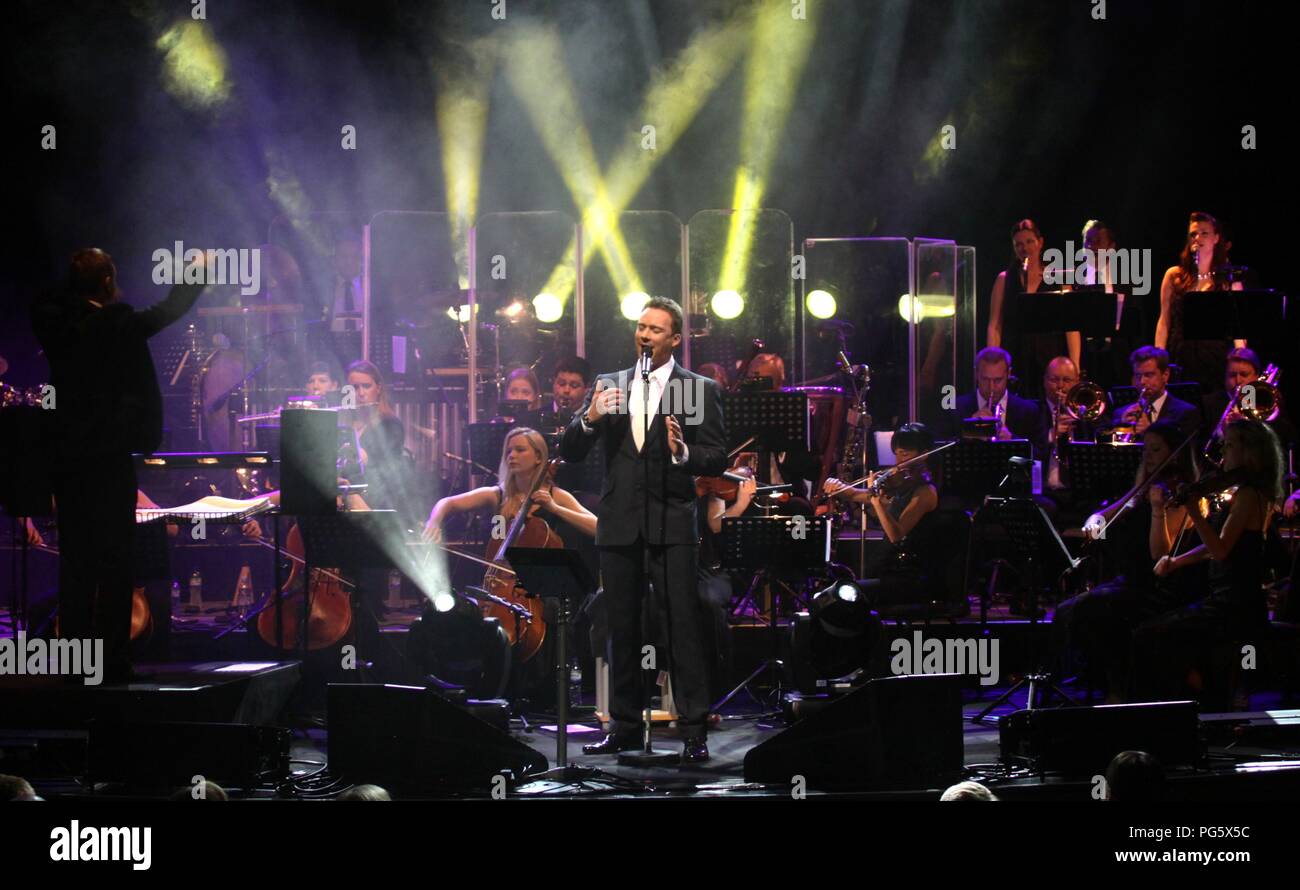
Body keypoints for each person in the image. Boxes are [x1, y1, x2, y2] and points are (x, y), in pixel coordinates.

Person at [561, 297, 727, 763]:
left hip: (673, 522)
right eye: (641, 327)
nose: (645, 334)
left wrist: (683, 453)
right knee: (621, 628)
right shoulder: (610, 385)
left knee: (681, 627)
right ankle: (626, 727)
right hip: (619, 525)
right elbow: (570, 449)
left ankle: (693, 729)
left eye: (656, 329)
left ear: (675, 338)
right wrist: (590, 417)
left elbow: (717, 456)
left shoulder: (697, 388)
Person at [30, 248, 207, 683]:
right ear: (108, 282)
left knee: (76, 562)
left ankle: (72, 659)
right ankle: (109, 661)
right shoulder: (116, 322)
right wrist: (194, 274)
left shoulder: (53, 322)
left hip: (67, 461)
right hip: (107, 459)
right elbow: (167, 311)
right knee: (114, 562)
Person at [423, 427, 596, 699]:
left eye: (520, 450)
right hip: (497, 587)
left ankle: (537, 688)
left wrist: (554, 509)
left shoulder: (556, 496)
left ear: (539, 457)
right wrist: (434, 522)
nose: (511, 456)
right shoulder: (497, 495)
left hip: (538, 591)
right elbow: (446, 503)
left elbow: (598, 527)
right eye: (509, 451)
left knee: (550, 609)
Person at [1135, 419, 1285, 703]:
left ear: (1249, 453)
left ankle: (1189, 702)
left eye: (1229, 446)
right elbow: (1221, 545)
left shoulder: (1249, 496)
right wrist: (1177, 561)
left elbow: (1220, 551)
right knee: (1159, 632)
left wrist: (1194, 511)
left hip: (1234, 604)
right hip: (1229, 597)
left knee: (1151, 635)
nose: (1223, 454)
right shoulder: (1250, 493)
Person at [1065, 422, 1201, 700]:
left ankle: (1117, 689)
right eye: (1145, 450)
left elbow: (1160, 553)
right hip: (1130, 580)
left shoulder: (1180, 494)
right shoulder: (1146, 487)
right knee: (1072, 608)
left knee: (1087, 610)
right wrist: (1096, 519)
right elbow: (1100, 519)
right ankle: (1101, 682)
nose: (1148, 456)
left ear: (1175, 454)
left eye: (1155, 449)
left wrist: (1157, 509)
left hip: (1158, 587)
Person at [823, 423, 942, 608]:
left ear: (924, 455)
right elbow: (854, 494)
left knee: (849, 596)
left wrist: (878, 502)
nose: (898, 461)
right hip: (890, 566)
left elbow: (896, 534)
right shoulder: (901, 486)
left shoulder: (926, 492)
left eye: (905, 455)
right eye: (896, 453)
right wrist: (836, 486)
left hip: (909, 574)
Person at [1154, 211, 1246, 392]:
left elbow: (1238, 328)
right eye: (1193, 234)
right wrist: (1159, 360)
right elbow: (1164, 320)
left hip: (1215, 357)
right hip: (1181, 354)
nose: (1198, 238)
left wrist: (1241, 360)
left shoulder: (1228, 279)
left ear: (1216, 238)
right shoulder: (1174, 275)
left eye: (1204, 233)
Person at [987, 219, 1079, 395]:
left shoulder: (1057, 277)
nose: (1025, 248)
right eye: (1019, 244)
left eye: (1030, 242)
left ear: (1040, 243)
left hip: (1049, 357)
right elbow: (995, 325)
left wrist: (1074, 366)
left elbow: (1071, 327)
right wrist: (994, 361)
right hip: (1016, 356)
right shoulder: (1004, 280)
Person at [947, 347, 1042, 442]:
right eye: (985, 379)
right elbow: (940, 450)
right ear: (976, 373)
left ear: (1009, 373)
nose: (991, 387)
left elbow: (1040, 454)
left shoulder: (1029, 411)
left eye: (998, 380)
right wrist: (968, 432)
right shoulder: (956, 409)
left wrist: (1012, 439)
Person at [1111, 346, 1200, 441]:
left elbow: (1181, 451)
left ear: (1165, 375)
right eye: (1138, 375)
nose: (1142, 382)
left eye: (1149, 375)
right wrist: (1120, 427)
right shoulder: (1120, 414)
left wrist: (1149, 430)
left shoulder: (1185, 413)